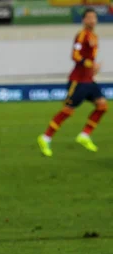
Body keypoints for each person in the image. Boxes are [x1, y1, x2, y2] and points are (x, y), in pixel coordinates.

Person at [38, 8, 105, 157]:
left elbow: (89, 60)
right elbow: (75, 56)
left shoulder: (94, 36)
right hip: (78, 81)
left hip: (89, 80)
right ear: (84, 20)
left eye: (94, 17)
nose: (92, 20)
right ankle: (45, 137)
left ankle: (85, 135)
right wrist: (90, 64)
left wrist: (93, 68)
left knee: (102, 106)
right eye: (89, 17)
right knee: (68, 110)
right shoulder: (81, 35)